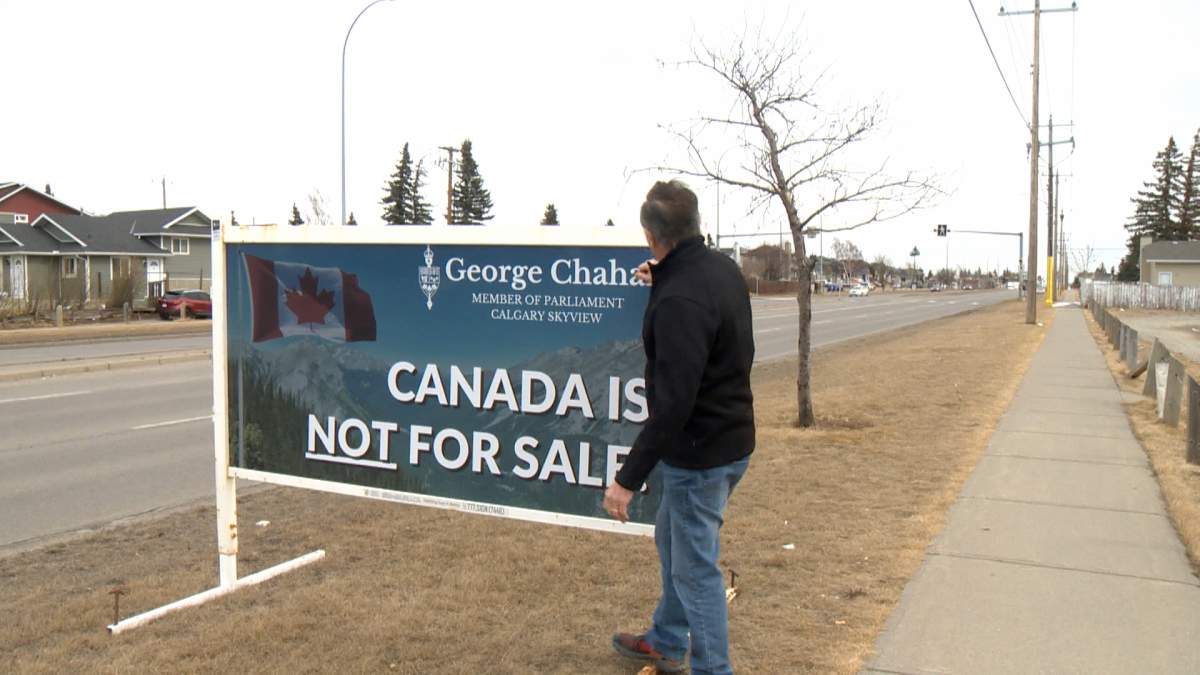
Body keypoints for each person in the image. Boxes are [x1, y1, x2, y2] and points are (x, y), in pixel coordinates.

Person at [604, 180, 755, 675]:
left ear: (651, 236)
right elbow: (693, 303)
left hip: (701, 453)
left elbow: (672, 406)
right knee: (672, 541)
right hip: (729, 441)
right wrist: (661, 276)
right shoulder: (718, 269)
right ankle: (667, 640)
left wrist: (627, 480)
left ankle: (712, 669)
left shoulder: (679, 299)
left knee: (694, 570)